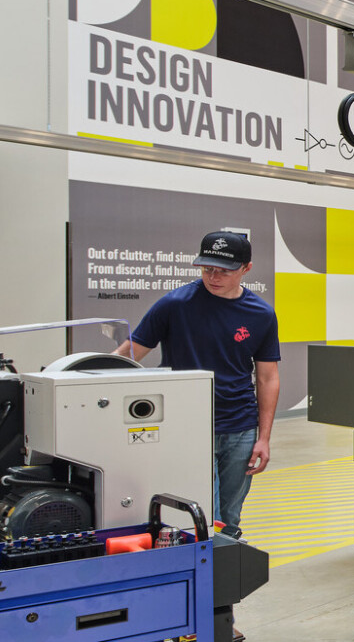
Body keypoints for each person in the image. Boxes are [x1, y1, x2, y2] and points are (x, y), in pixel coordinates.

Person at [114, 229, 280, 548]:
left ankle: (223, 578)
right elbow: (128, 353)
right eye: (207, 269)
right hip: (189, 427)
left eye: (224, 270)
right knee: (206, 515)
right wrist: (85, 374)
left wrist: (264, 438)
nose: (213, 277)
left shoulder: (261, 314)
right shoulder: (174, 305)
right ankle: (208, 585)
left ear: (246, 268)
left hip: (241, 429)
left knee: (230, 517)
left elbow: (267, 377)